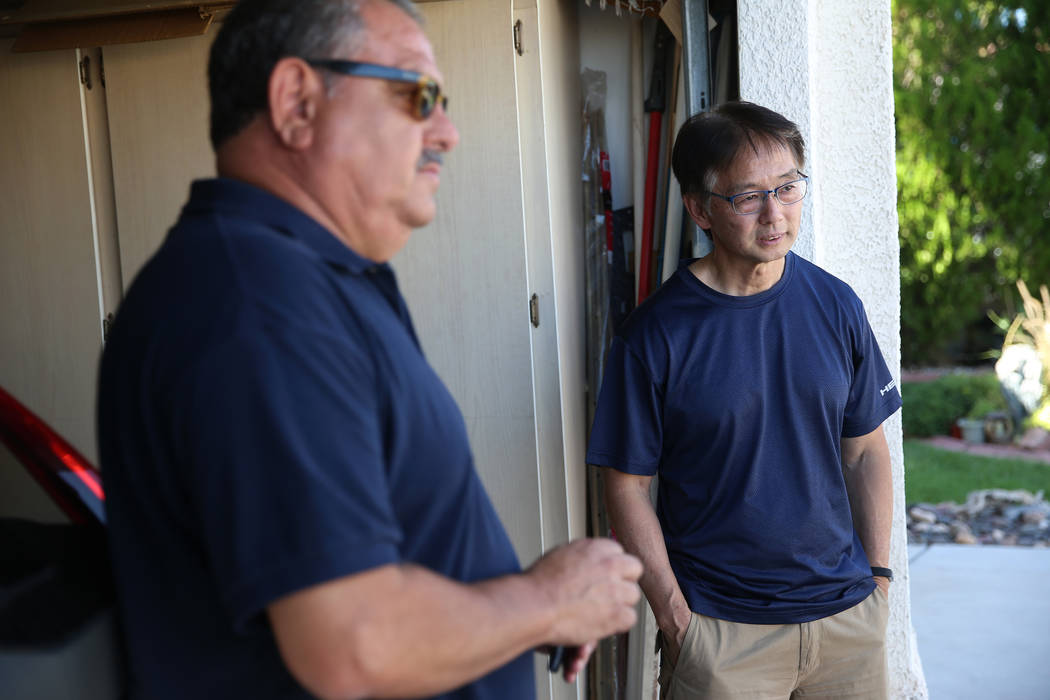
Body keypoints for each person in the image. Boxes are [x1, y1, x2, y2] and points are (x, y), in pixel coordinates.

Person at [96, 1, 642, 698]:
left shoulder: (304, 283)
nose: (447, 131)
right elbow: (354, 642)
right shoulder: (258, 306)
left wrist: (523, 603)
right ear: (296, 103)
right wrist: (546, 601)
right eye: (418, 94)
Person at [586, 101, 901, 699]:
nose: (775, 214)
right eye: (748, 196)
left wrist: (879, 583)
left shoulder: (837, 307)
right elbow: (626, 488)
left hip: (845, 626)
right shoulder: (655, 335)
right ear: (700, 209)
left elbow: (865, 453)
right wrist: (678, 620)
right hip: (723, 638)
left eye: (788, 188)